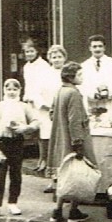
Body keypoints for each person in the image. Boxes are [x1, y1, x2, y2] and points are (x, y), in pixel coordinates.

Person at [0, 78, 40, 222]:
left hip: (16, 143)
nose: (12, 92)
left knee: (16, 174)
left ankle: (13, 203)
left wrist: (25, 128)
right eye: (9, 89)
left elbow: (36, 121)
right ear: (4, 90)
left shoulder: (24, 106)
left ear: (20, 91)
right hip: (0, 142)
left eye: (15, 89)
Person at [47, 62, 95, 222]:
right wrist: (78, 142)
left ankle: (57, 210)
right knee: (77, 174)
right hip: (73, 139)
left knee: (64, 175)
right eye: (79, 75)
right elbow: (74, 120)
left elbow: (52, 113)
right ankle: (73, 211)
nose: (82, 77)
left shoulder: (60, 91)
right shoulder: (74, 93)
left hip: (61, 139)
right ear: (71, 77)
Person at [79, 34, 112, 126]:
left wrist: (108, 93)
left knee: (110, 131)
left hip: (110, 104)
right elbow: (81, 86)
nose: (97, 49)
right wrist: (93, 94)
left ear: (104, 47)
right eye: (94, 46)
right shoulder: (83, 66)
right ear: (90, 48)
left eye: (100, 46)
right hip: (92, 105)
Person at [21, 38, 54, 172]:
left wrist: (41, 101)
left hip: (42, 103)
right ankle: (41, 158)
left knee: (45, 132)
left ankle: (46, 160)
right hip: (31, 102)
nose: (29, 54)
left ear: (37, 51)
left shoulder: (44, 66)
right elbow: (28, 85)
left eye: (31, 51)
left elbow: (44, 87)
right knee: (37, 132)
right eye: (27, 52)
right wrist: (27, 98)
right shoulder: (27, 66)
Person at [38, 44, 68, 192]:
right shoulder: (44, 73)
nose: (57, 60)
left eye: (59, 56)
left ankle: (63, 181)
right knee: (50, 146)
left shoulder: (68, 73)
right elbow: (36, 93)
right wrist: (46, 105)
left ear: (64, 57)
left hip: (63, 113)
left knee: (63, 146)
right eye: (54, 57)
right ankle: (52, 181)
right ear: (49, 59)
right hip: (48, 113)